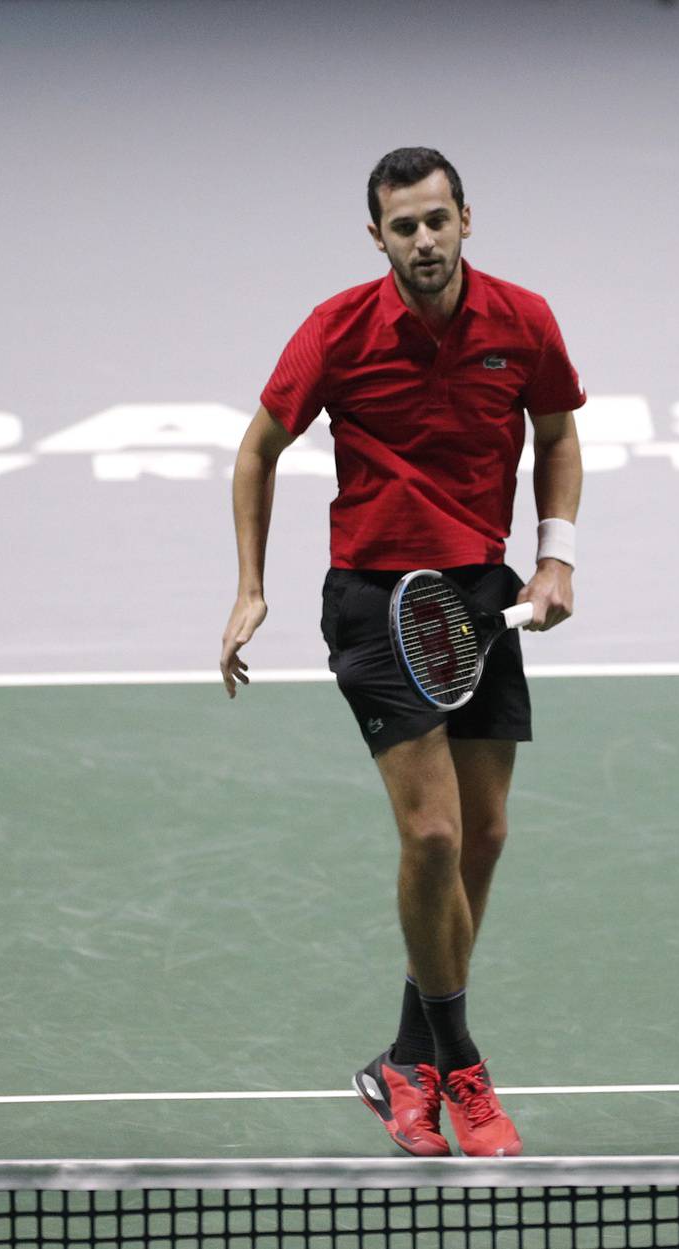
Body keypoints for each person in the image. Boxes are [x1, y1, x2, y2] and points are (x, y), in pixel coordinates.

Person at [218, 148, 586, 1155]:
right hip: (378, 597)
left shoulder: (525, 321)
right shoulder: (337, 331)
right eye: (403, 226)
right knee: (431, 837)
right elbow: (257, 450)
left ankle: (402, 1059)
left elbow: (556, 436)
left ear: (468, 217)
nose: (423, 240)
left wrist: (554, 560)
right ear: (376, 236)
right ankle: (462, 1066)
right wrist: (252, 586)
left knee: (482, 841)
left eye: (437, 220)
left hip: (479, 590)